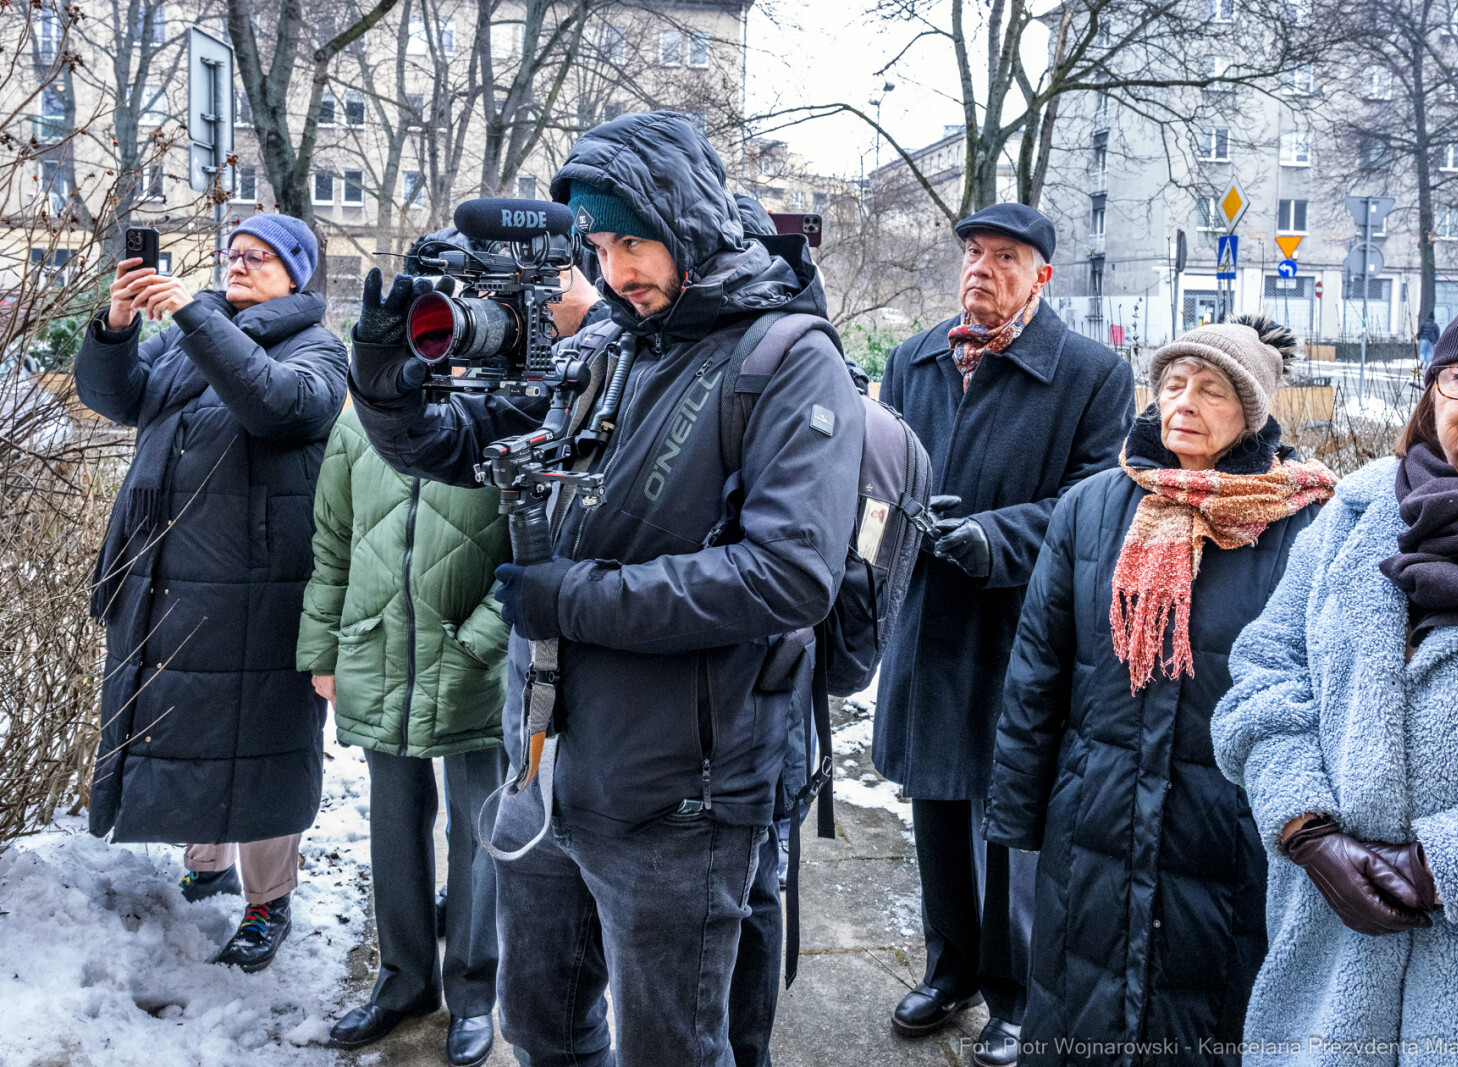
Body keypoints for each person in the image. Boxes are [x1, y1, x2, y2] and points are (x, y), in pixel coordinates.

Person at [346, 110, 865, 1067]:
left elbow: (788, 576)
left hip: (679, 799)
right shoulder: (608, 347)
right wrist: (384, 384)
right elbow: (461, 446)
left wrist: (570, 599)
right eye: (598, 247)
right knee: (542, 1027)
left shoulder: (789, 360)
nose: (616, 269)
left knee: (671, 1048)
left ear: (688, 222)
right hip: (543, 773)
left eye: (634, 241)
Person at [1214, 274, 1458, 1065]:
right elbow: (1264, 673)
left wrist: (1441, 866)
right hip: (1329, 978)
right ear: (1433, 392)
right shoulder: (1353, 517)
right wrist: (1307, 830)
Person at [984, 315, 1336, 1064]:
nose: (1185, 402)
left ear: (1252, 412)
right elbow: (1038, 669)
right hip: (1095, 819)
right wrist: (1018, 813)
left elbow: (1321, 699)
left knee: (1203, 1020)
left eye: (1211, 390)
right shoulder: (1092, 507)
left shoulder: (1302, 526)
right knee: (1080, 1009)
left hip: (1224, 833)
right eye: (1174, 383)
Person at [872, 202, 1135, 1065]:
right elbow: (886, 477)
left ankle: (1017, 993)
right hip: (926, 615)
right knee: (936, 804)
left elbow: (1093, 501)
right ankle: (949, 968)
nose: (980, 269)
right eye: (972, 253)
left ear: (1041, 275)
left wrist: (994, 538)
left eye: (1004, 257)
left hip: (1021, 626)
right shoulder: (915, 359)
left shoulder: (1092, 373)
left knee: (1011, 813)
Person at [74, 215, 347, 972]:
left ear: (296, 274)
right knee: (190, 714)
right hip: (168, 571)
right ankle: (208, 864)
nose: (240, 263)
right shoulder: (186, 336)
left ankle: (269, 900)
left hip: (260, 583)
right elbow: (115, 398)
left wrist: (196, 316)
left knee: (261, 737)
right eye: (234, 253)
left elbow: (278, 405)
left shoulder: (317, 346)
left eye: (260, 256)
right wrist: (117, 325)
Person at [297, 391, 512, 1065]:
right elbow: (332, 543)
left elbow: (537, 548)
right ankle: (404, 983)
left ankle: (473, 995)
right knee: (393, 823)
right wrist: (323, 651)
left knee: (479, 831)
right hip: (377, 655)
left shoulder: (504, 417)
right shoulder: (356, 424)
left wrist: (483, 641)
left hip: (474, 667)